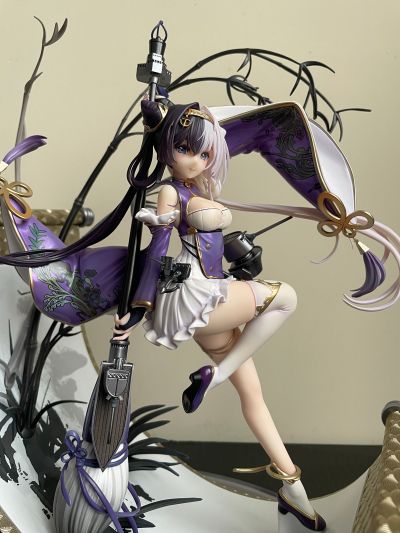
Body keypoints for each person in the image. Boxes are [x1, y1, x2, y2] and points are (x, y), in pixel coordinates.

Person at [114, 100, 326, 530]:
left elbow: (212, 239)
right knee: (286, 297)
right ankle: (217, 376)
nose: (195, 159)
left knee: (254, 396)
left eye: (204, 152)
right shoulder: (171, 192)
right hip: (197, 297)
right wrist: (138, 311)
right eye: (184, 149)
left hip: (213, 295)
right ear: (166, 148)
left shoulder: (202, 188)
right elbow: (157, 251)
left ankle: (293, 489)